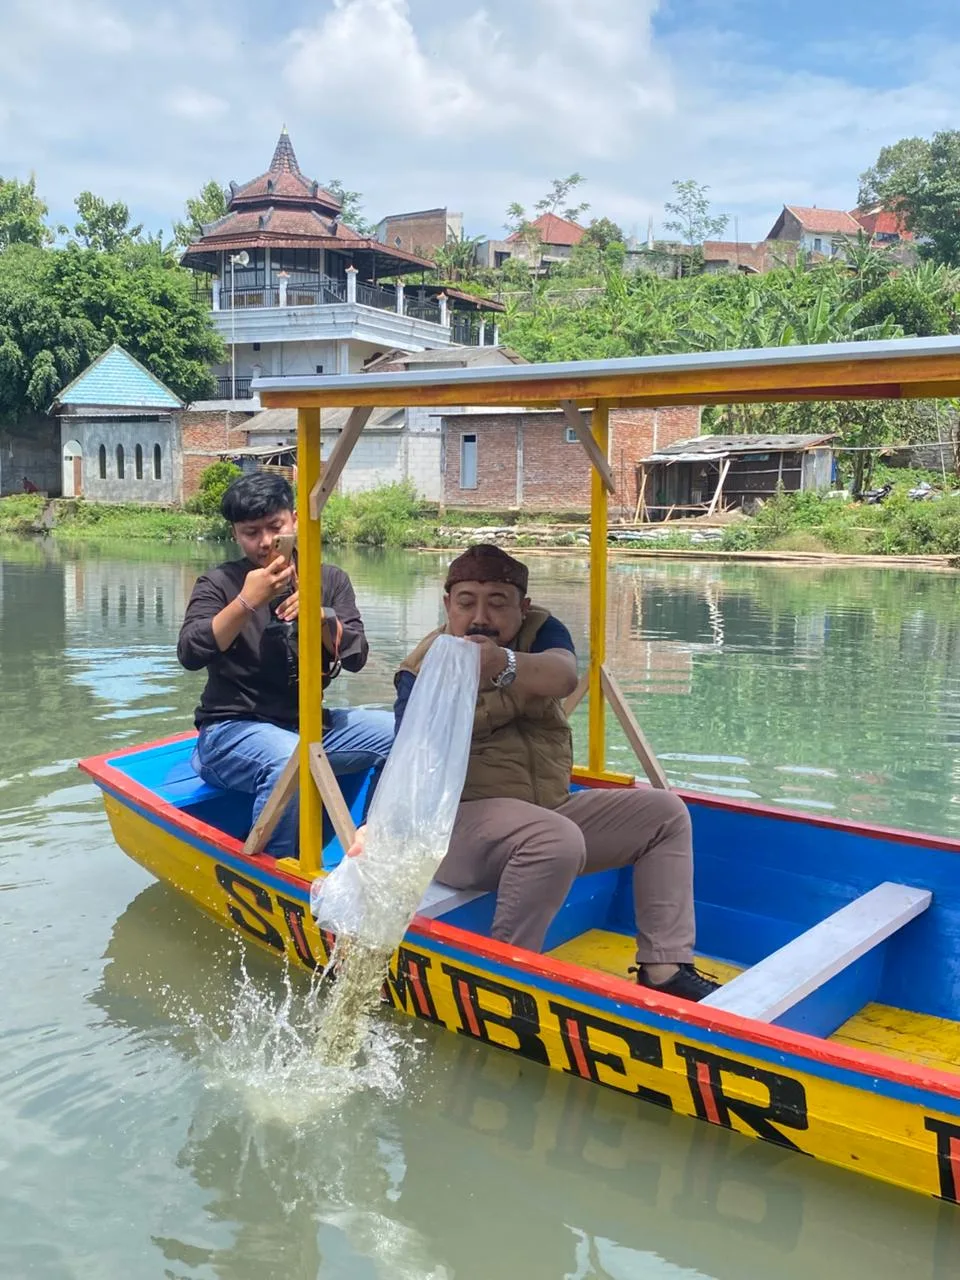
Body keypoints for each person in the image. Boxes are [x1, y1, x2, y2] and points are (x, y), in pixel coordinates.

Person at [384, 543, 718, 1003]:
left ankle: (664, 969)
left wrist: (501, 665)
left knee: (664, 813)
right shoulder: (423, 669)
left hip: (547, 809)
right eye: (466, 603)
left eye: (498, 603)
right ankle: (503, 979)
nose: (481, 618)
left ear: (523, 607)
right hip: (456, 828)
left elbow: (562, 677)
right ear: (447, 606)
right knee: (553, 839)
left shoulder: (542, 632)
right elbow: (410, 767)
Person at [177, 472, 393, 858]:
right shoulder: (220, 582)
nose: (264, 542)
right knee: (287, 758)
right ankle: (275, 867)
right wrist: (247, 600)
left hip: (309, 724)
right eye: (250, 532)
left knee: (403, 732)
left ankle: (373, 843)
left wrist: (322, 617)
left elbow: (356, 657)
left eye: (275, 528)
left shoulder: (329, 579)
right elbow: (191, 653)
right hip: (232, 730)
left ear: (294, 520)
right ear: (235, 535)